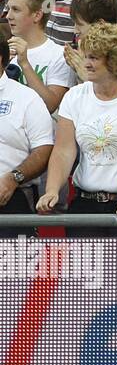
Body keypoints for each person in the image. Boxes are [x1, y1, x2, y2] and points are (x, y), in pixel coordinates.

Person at [36, 21, 117, 236]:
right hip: (86, 204)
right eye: (85, 56)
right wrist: (52, 190)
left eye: (93, 58)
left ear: (115, 61)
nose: (85, 63)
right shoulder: (75, 96)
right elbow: (64, 151)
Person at [0, 19, 53, 226]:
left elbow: (44, 148)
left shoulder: (26, 99)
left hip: (12, 195)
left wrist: (14, 178)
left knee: (12, 260)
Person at [5, 0, 73, 113]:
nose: (8, 16)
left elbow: (50, 106)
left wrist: (24, 64)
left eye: (16, 10)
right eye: (8, 9)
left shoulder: (59, 55)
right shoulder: (4, 50)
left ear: (37, 15)